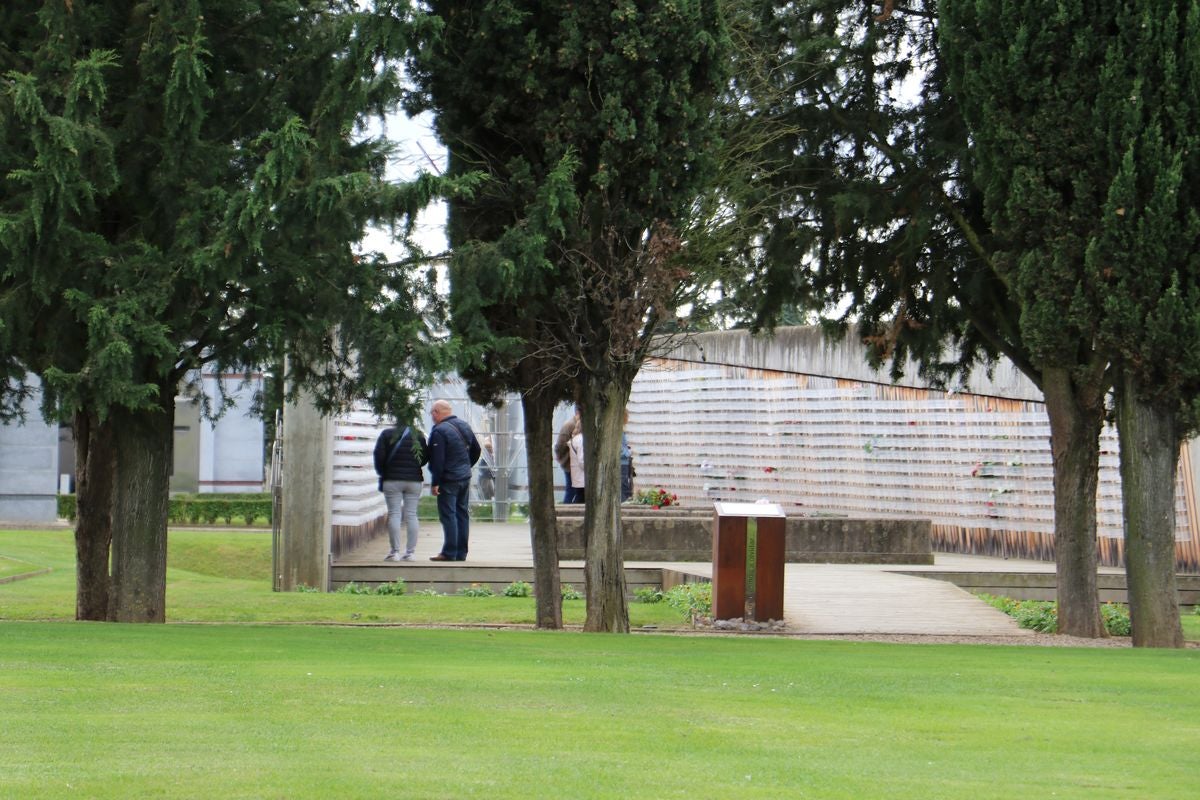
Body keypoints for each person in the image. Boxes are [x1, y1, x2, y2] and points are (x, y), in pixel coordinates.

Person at [427, 399, 481, 561]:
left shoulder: (439, 431)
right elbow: (477, 450)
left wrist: (435, 482)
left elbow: (438, 460)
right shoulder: (464, 426)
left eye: (432, 413)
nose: (431, 417)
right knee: (462, 514)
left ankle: (449, 552)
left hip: (448, 479)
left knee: (448, 515)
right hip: (464, 477)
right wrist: (466, 466)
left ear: (437, 412)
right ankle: (461, 552)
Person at [373, 420, 428, 561]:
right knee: (411, 514)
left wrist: (384, 472)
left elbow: (379, 457)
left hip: (392, 480)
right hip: (414, 480)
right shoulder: (418, 435)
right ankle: (410, 553)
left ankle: (394, 552)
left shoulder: (386, 434)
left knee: (394, 514)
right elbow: (424, 458)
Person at [554, 407, 582, 503]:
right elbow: (560, 446)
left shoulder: (576, 424)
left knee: (575, 491)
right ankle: (565, 512)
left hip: (575, 465)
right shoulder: (570, 425)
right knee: (571, 491)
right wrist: (562, 459)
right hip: (569, 464)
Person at [567, 418, 585, 503]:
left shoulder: (575, 439)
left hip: (577, 476)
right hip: (583, 477)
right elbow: (582, 460)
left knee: (579, 496)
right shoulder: (582, 440)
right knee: (581, 499)